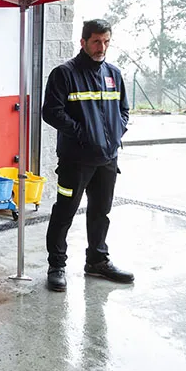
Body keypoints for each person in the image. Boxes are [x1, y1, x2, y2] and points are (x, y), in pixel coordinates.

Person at [41, 19, 133, 292]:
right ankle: (56, 266)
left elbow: (124, 110)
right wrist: (85, 134)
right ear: (83, 42)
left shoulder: (114, 74)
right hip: (75, 161)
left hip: (107, 160)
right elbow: (51, 112)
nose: (101, 47)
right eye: (96, 41)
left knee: (100, 212)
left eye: (106, 41)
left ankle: (97, 261)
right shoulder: (64, 74)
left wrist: (115, 133)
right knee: (64, 212)